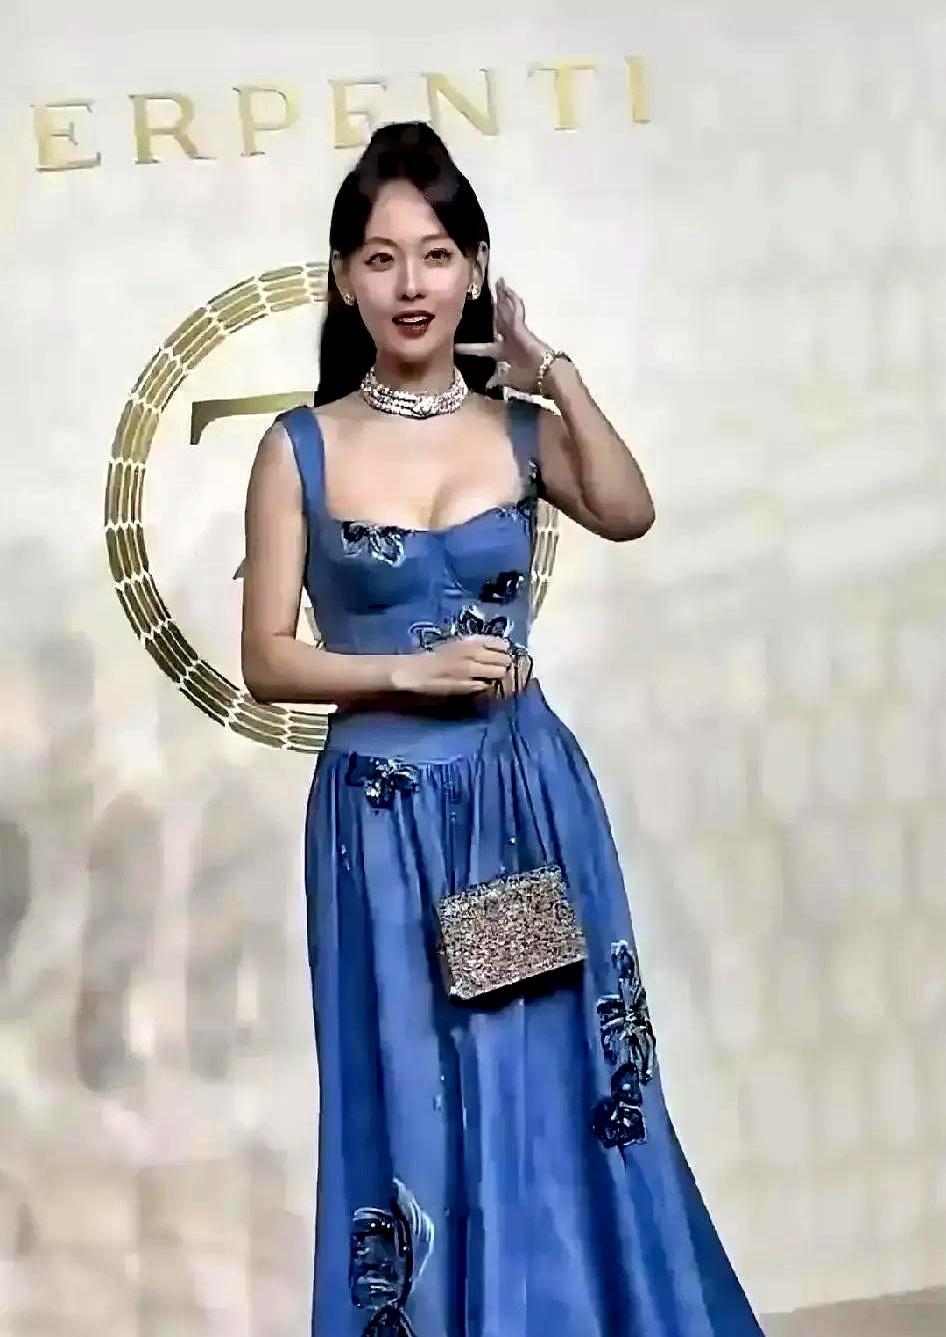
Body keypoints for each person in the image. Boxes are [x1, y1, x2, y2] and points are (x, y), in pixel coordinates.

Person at [241, 120, 765, 1337]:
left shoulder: (519, 428)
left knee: (549, 1086)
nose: (410, 284)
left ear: (474, 268)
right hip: (383, 824)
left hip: (518, 802)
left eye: (435, 254)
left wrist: (551, 368)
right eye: (381, 258)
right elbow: (265, 657)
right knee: (412, 1098)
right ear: (343, 279)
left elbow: (627, 509)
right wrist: (408, 670)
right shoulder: (299, 447)